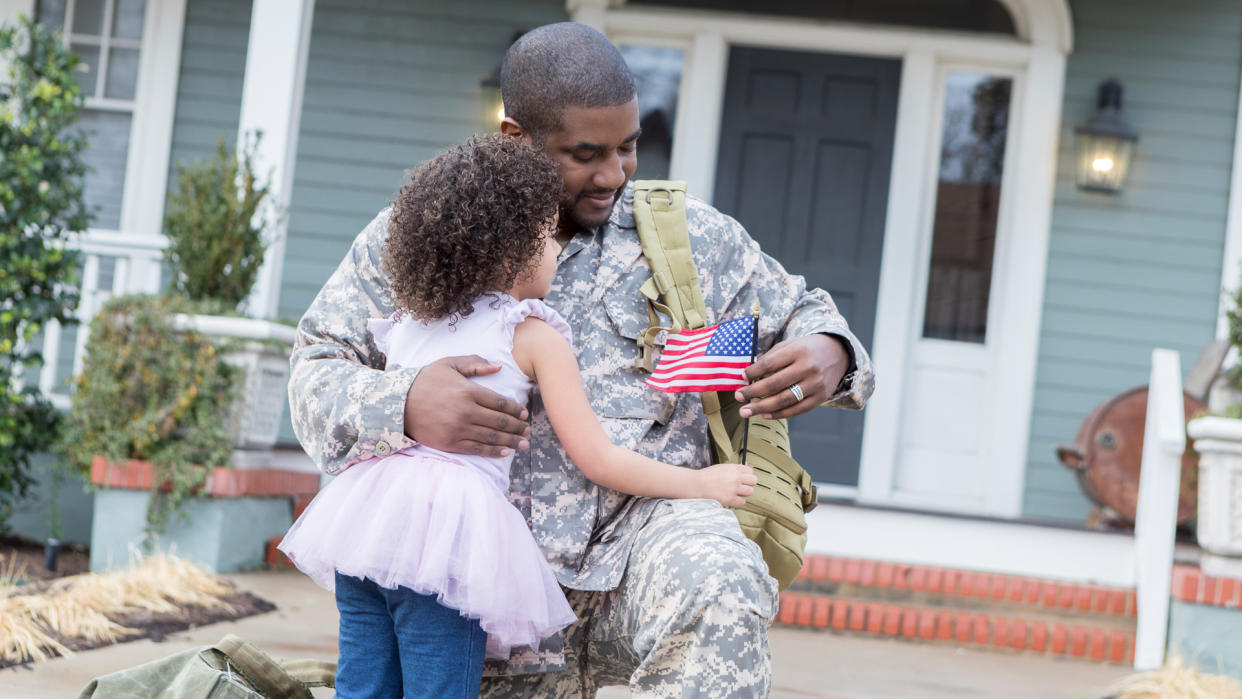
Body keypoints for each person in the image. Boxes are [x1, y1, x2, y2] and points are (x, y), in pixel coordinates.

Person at [288, 22, 875, 698]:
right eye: (585, 153)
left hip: (644, 541)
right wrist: (406, 403)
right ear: (516, 138)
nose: (614, 173)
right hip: (481, 580)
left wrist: (831, 353)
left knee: (720, 577)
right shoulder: (426, 232)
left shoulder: (690, 238)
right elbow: (314, 369)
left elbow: (808, 312)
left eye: (628, 148)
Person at [279, 134, 758, 698]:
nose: (558, 250)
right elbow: (598, 457)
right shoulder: (532, 333)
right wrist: (702, 482)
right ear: (510, 256)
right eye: (547, 238)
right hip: (445, 539)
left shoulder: (409, 318)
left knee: (361, 690)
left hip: (367, 527)